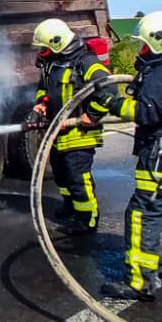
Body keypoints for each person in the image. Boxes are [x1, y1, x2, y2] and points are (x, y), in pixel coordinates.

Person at [79, 10, 162, 300]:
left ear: (159, 41)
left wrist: (114, 104)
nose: (142, 50)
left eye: (145, 44)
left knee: (142, 214)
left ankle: (138, 282)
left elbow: (147, 112)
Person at [27, 18, 111, 235]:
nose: (42, 51)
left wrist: (91, 115)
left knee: (77, 177)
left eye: (45, 46)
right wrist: (41, 104)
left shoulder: (86, 62)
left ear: (56, 42)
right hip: (57, 130)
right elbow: (43, 88)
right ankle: (70, 206)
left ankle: (87, 218)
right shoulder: (52, 63)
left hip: (80, 132)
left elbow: (108, 91)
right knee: (61, 174)